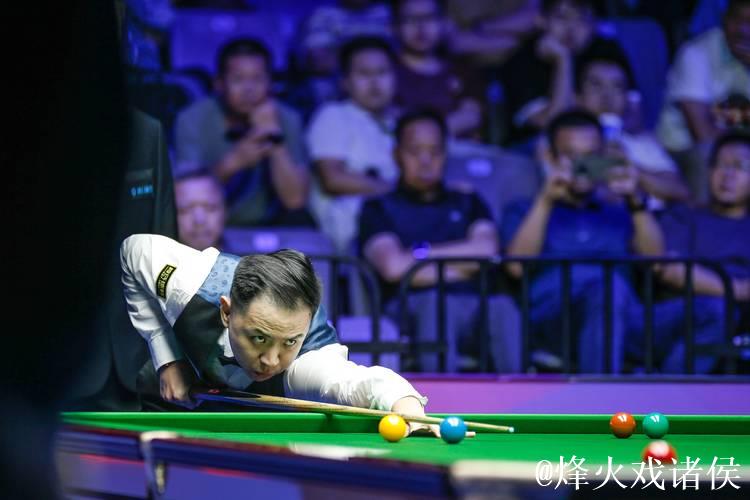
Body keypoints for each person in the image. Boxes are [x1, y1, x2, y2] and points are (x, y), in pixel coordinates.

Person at [121, 233, 442, 437]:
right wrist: (167, 358)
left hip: (263, 439)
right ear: (227, 312)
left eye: (289, 342)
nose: (272, 361)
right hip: (168, 408)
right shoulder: (189, 285)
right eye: (258, 338)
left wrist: (405, 404)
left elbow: (353, 384)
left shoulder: (308, 359)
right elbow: (133, 250)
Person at [502, 110, 664, 373]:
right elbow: (516, 267)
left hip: (625, 317)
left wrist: (635, 200)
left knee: (709, 313)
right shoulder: (524, 210)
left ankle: (670, 396)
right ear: (550, 158)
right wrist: (545, 200)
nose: (582, 166)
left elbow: (656, 263)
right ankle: (600, 393)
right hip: (554, 321)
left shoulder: (621, 211)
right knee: (607, 289)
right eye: (570, 156)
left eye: (590, 156)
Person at [359, 109, 521, 372]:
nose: (425, 161)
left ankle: (520, 395)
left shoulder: (468, 200)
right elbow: (393, 267)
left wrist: (419, 256)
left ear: (445, 154)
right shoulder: (378, 208)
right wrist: (466, 264)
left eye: (434, 151)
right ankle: (435, 398)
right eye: (415, 151)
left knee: (504, 307)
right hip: (412, 306)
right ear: (397, 154)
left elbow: (487, 251)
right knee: (437, 304)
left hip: (476, 302)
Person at [66, 109, 178, 411]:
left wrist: (168, 356)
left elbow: (163, 252)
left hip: (134, 361)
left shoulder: (147, 131)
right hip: (49, 361)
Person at [628, 132, 750, 373]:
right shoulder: (683, 216)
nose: (728, 175)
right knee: (717, 310)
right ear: (709, 171)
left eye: (740, 167)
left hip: (740, 327)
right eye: (720, 165)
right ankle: (671, 391)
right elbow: (667, 268)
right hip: (674, 318)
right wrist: (737, 290)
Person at [175, 38, 313, 228]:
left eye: (258, 79)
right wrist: (235, 161)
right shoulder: (192, 119)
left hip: (270, 225)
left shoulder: (288, 119)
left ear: (271, 83)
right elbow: (184, 195)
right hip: (207, 224)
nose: (249, 89)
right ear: (219, 84)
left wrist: (274, 137)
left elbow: (295, 200)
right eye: (238, 79)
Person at [307, 36, 401, 253]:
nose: (375, 83)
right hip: (350, 236)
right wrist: (402, 190)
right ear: (345, 81)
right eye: (364, 74)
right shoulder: (333, 115)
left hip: (395, 225)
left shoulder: (399, 123)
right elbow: (333, 179)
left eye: (382, 73)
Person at [499, 0, 629, 148]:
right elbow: (553, 124)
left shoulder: (606, 51)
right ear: (541, 20)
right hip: (532, 146)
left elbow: (634, 114)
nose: (571, 28)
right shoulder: (521, 61)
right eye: (562, 17)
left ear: (594, 24)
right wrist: (563, 61)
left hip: (600, 140)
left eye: (581, 20)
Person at [575, 44, 689, 207]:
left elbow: (681, 191)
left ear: (627, 98)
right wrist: (602, 162)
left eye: (617, 86)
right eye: (596, 85)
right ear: (577, 97)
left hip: (653, 218)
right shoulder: (564, 138)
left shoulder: (643, 143)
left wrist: (629, 167)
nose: (607, 96)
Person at [656, 0, 750, 198]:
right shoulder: (696, 53)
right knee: (710, 155)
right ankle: (706, 217)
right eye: (736, 19)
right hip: (682, 151)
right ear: (724, 19)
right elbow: (703, 134)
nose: (743, 30)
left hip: (741, 150)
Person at [391, 0, 486, 139]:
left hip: (457, 147)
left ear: (444, 23)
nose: (420, 26)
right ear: (395, 26)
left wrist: (429, 133)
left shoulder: (461, 68)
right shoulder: (386, 70)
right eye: (411, 19)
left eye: (429, 17)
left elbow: (471, 117)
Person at [174, 166, 227, 251]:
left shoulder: (245, 256)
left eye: (210, 208)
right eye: (185, 210)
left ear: (224, 211)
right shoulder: (156, 258)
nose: (199, 220)